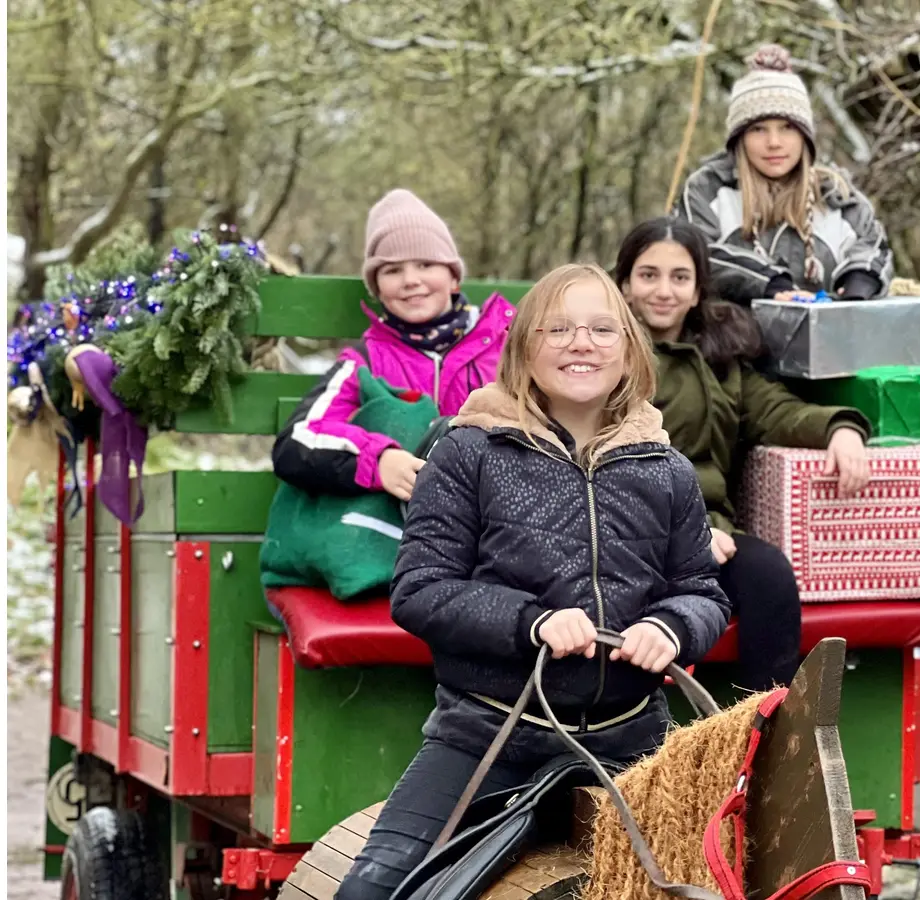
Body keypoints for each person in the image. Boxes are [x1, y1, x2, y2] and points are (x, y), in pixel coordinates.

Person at [333, 264, 731, 900]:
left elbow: (703, 592)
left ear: (629, 350)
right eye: (560, 328)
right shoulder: (469, 452)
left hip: (633, 740)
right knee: (370, 891)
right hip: (488, 735)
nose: (582, 342)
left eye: (603, 328)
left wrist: (672, 626)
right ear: (523, 347)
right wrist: (531, 622)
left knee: (727, 878)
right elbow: (419, 590)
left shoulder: (668, 469)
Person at [613, 216, 871, 690]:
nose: (663, 290)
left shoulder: (719, 360)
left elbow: (776, 411)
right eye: (649, 275)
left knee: (767, 573)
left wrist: (840, 429)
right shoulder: (606, 357)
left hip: (716, 530)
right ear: (626, 284)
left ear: (697, 291)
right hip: (625, 532)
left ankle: (761, 735)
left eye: (680, 277)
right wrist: (683, 532)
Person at [272, 188, 513, 502]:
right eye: (392, 270)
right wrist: (378, 461)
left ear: (453, 277)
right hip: (400, 533)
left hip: (497, 522)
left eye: (425, 264)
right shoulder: (366, 361)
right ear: (377, 289)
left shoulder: (509, 346)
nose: (410, 279)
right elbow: (297, 439)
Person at [674, 44, 894, 305]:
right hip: (731, 340)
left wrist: (859, 282)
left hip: (831, 337)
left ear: (804, 138)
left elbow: (873, 247)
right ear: (739, 139)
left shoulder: (837, 195)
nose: (774, 142)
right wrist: (769, 283)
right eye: (758, 129)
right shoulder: (707, 189)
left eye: (788, 127)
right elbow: (693, 254)